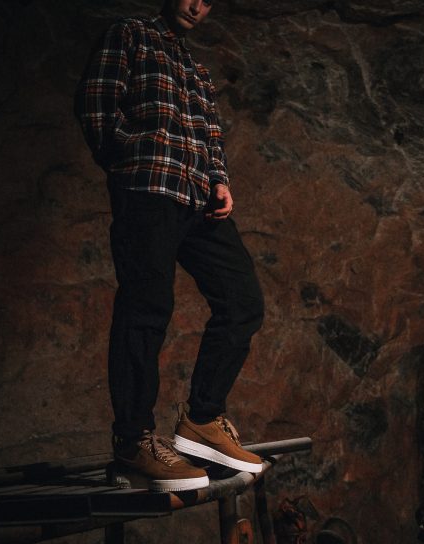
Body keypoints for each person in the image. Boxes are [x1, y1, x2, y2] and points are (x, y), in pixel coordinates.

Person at [75, 0, 264, 491]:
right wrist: (132, 158)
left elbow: (210, 135)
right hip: (148, 188)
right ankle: (133, 439)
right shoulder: (130, 34)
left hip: (197, 198)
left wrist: (219, 180)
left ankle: (202, 419)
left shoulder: (196, 69)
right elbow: (96, 103)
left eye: (208, 0)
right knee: (146, 307)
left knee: (242, 301)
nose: (198, 6)